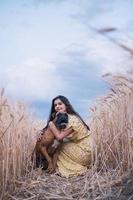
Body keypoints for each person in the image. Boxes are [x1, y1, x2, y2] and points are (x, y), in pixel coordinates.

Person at [45, 95, 93, 178]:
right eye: (55, 105)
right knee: (57, 143)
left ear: (66, 105)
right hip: (82, 147)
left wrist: (51, 124)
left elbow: (59, 137)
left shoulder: (72, 119)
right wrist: (41, 132)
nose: (57, 106)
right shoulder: (61, 118)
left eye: (60, 104)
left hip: (85, 151)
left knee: (58, 144)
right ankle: (51, 164)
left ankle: (54, 167)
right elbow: (50, 132)